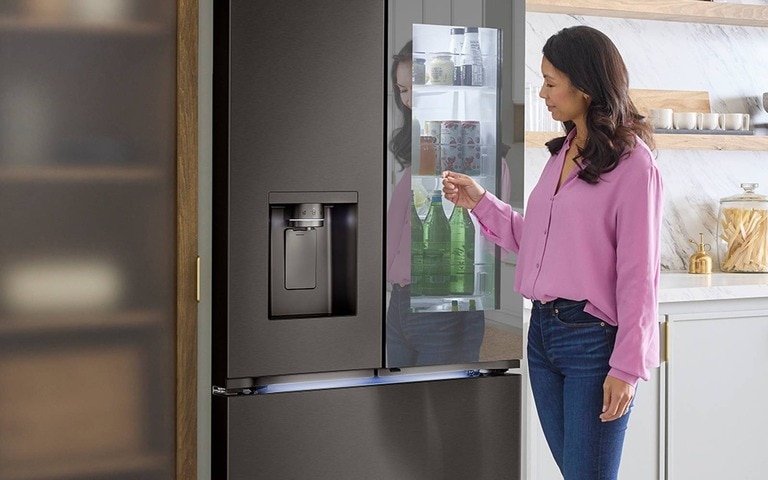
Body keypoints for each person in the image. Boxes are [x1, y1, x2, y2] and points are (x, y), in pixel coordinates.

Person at [442, 25, 663, 479]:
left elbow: (639, 275)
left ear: (584, 86)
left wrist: (626, 366)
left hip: (592, 340)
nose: (542, 93)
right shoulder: (563, 153)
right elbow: (538, 243)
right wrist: (481, 202)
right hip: (542, 335)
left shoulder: (634, 165)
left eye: (550, 82)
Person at [386, 41, 484, 367]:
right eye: (402, 90)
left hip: (442, 305)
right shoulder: (419, 148)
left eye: (416, 89)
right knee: (400, 409)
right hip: (399, 302)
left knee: (440, 412)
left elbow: (482, 228)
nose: (409, 101)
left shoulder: (469, 149)